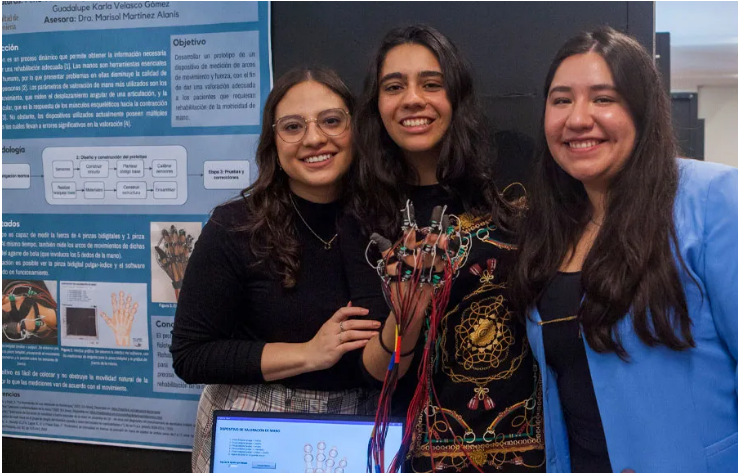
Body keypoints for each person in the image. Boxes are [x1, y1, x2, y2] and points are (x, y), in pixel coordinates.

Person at [509, 27, 738, 473]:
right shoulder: (551, 230)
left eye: (603, 98)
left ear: (642, 109)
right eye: (561, 100)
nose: (577, 118)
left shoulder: (715, 201)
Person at [340, 25, 544, 472]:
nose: (413, 99)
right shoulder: (365, 209)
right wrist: (407, 312)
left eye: (432, 84)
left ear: (456, 95)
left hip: (533, 448)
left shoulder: (513, 173)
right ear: (378, 104)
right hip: (426, 454)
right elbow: (378, 373)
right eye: (394, 87)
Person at [170, 67, 382, 473]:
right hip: (256, 426)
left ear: (357, 129)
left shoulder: (386, 222)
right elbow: (190, 356)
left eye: (332, 121)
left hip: (363, 425)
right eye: (293, 126)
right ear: (274, 142)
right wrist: (308, 354)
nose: (314, 138)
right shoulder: (235, 227)